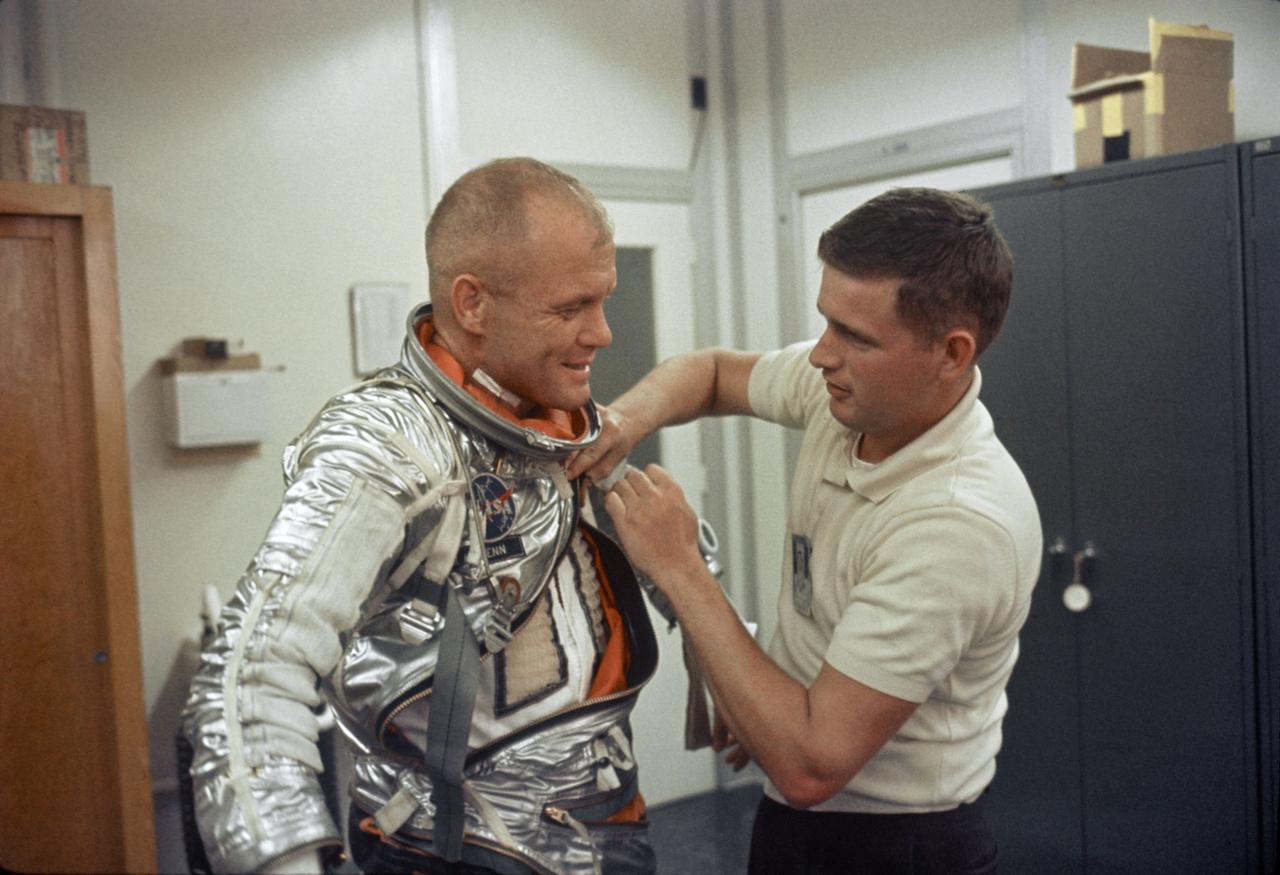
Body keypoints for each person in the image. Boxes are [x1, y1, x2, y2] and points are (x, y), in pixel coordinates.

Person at [182, 157, 663, 875]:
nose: (603, 333)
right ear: (472, 304)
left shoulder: (557, 420)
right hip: (455, 849)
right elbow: (252, 669)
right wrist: (279, 856)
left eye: (603, 300)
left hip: (606, 823)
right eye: (570, 308)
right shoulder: (389, 442)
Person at [569, 187, 1042, 874]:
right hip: (800, 823)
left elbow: (810, 763)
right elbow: (710, 373)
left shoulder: (958, 520)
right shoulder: (846, 395)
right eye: (827, 322)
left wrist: (679, 567)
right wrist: (624, 423)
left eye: (855, 336)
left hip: (894, 846)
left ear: (952, 351)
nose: (822, 355)